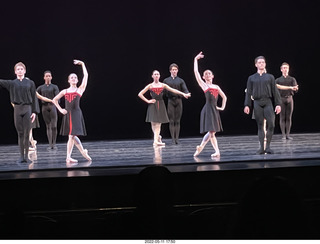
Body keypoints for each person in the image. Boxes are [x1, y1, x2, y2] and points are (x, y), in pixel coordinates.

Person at [52, 60, 91, 164]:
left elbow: (86, 75)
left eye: (75, 77)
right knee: (72, 135)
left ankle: (75, 154)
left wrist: (83, 64)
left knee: (72, 136)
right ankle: (77, 154)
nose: (73, 78)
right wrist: (60, 109)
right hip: (68, 114)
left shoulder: (80, 90)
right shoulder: (64, 91)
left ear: (77, 80)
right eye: (71, 77)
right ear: (68, 80)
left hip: (76, 114)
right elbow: (54, 100)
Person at [138, 70, 191, 147]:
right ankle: (158, 137)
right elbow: (140, 94)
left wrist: (183, 94)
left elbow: (173, 90)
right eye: (155, 74)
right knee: (153, 123)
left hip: (161, 104)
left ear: (159, 76)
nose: (156, 75)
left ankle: (155, 141)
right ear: (152, 76)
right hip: (153, 104)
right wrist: (148, 101)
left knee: (158, 123)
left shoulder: (163, 85)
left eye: (158, 74)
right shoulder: (150, 86)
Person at [0, 62, 39, 163]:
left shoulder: (30, 83)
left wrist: (34, 111)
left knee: (26, 134)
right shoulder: (12, 83)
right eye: (18, 69)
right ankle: (21, 156)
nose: (20, 71)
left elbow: (34, 98)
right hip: (17, 109)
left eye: (21, 69)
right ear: (15, 71)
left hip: (27, 108)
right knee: (20, 133)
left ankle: (26, 157)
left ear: (25, 71)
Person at [244, 56, 281, 154]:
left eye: (263, 62)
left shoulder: (270, 77)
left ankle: (268, 147)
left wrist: (278, 104)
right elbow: (248, 92)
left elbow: (275, 91)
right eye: (259, 62)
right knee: (260, 125)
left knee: (272, 124)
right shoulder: (251, 78)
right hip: (257, 103)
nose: (261, 64)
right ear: (256, 64)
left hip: (267, 102)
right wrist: (247, 105)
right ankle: (261, 148)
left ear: (265, 64)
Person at [193, 52, 227, 157]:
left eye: (209, 73)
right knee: (212, 132)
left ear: (212, 76)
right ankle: (216, 151)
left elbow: (224, 97)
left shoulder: (216, 86)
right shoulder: (204, 86)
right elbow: (196, 72)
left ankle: (201, 147)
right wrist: (195, 59)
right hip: (208, 109)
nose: (207, 74)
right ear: (203, 77)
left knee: (212, 132)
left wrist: (222, 107)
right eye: (205, 74)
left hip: (214, 110)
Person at [163, 63, 190, 144]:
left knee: (177, 120)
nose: (174, 71)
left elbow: (185, 89)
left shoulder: (181, 80)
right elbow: (163, 92)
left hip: (178, 101)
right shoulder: (166, 80)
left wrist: (187, 93)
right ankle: (173, 139)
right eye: (173, 70)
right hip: (170, 101)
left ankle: (177, 139)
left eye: (175, 70)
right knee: (171, 120)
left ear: (177, 70)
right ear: (170, 70)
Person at [37, 71, 60, 150]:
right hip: (44, 107)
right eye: (46, 76)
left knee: (54, 126)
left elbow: (58, 96)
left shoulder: (54, 87)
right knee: (48, 126)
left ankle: (54, 143)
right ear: (44, 77)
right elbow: (35, 94)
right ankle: (50, 144)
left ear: (51, 77)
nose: (48, 77)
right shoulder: (41, 87)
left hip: (52, 106)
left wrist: (56, 103)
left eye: (49, 76)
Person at [275, 62, 299, 140]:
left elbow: (295, 88)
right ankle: (283, 135)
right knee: (282, 117)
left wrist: (295, 88)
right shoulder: (278, 80)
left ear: (288, 69)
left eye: (286, 68)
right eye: (284, 68)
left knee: (288, 117)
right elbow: (275, 90)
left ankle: (288, 134)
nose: (285, 69)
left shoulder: (292, 79)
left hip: (289, 98)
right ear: (281, 69)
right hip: (281, 99)